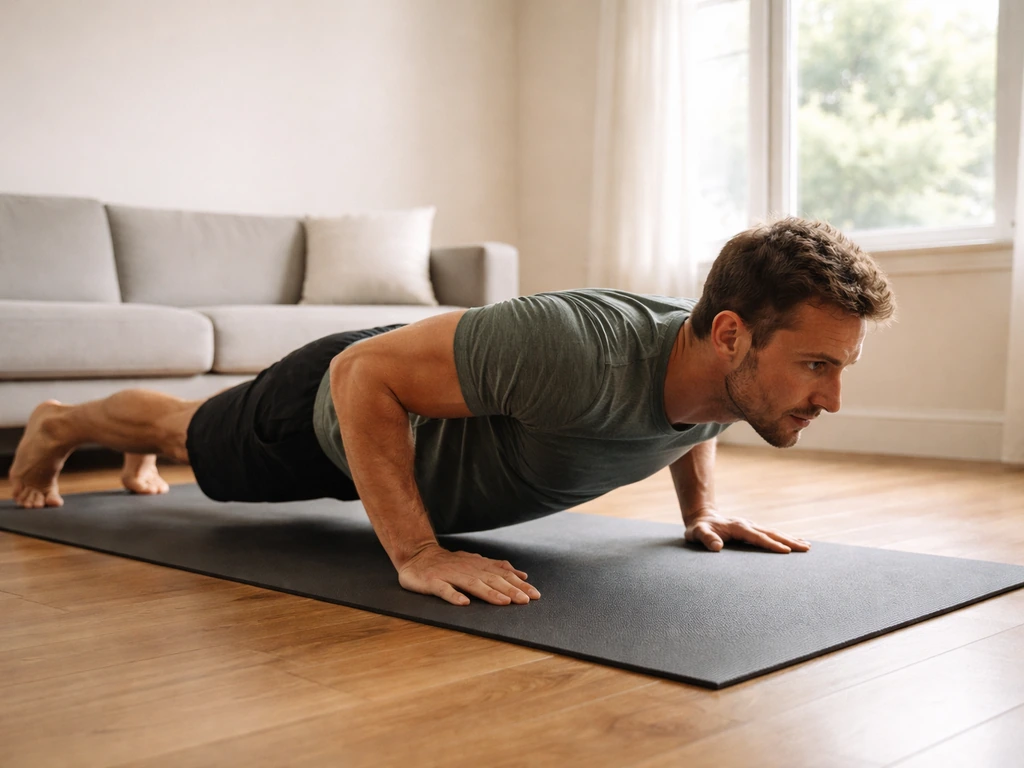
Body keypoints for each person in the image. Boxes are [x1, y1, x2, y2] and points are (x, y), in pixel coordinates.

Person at [8, 217, 895, 607]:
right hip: (332, 408)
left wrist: (701, 511)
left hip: (420, 377)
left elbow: (699, 416)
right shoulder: (576, 346)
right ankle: (60, 424)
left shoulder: (715, 367)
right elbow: (362, 379)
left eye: (840, 367)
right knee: (191, 435)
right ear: (733, 334)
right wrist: (417, 550)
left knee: (192, 425)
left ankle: (135, 441)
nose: (831, 397)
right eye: (817, 365)